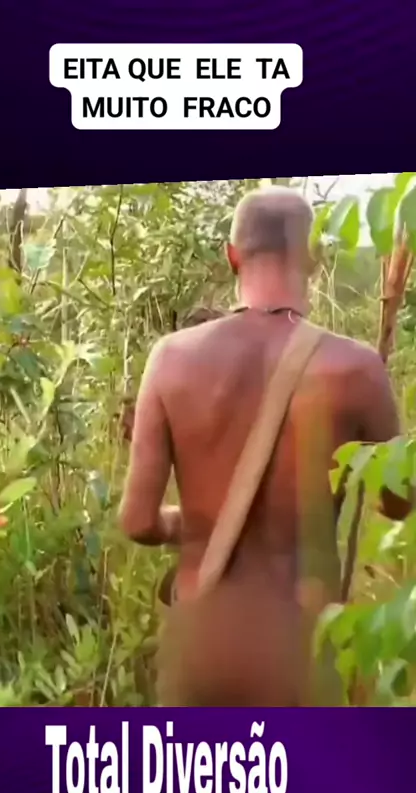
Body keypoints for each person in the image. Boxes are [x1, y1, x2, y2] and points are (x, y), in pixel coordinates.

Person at [118, 186, 411, 706]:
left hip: (200, 647)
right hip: (299, 650)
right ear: (313, 258)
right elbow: (399, 502)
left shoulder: (170, 359)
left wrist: (192, 522)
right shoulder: (354, 368)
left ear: (232, 256)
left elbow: (138, 521)